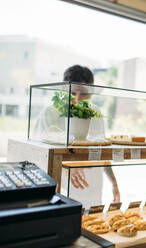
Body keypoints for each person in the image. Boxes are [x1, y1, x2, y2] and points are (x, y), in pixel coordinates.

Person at [34, 65, 120, 206]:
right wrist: (66, 167)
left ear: (92, 92)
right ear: (63, 89)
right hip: (61, 189)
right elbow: (38, 157)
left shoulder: (96, 112)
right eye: (72, 93)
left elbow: (102, 152)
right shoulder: (49, 113)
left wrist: (114, 183)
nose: (78, 99)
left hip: (94, 189)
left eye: (84, 94)